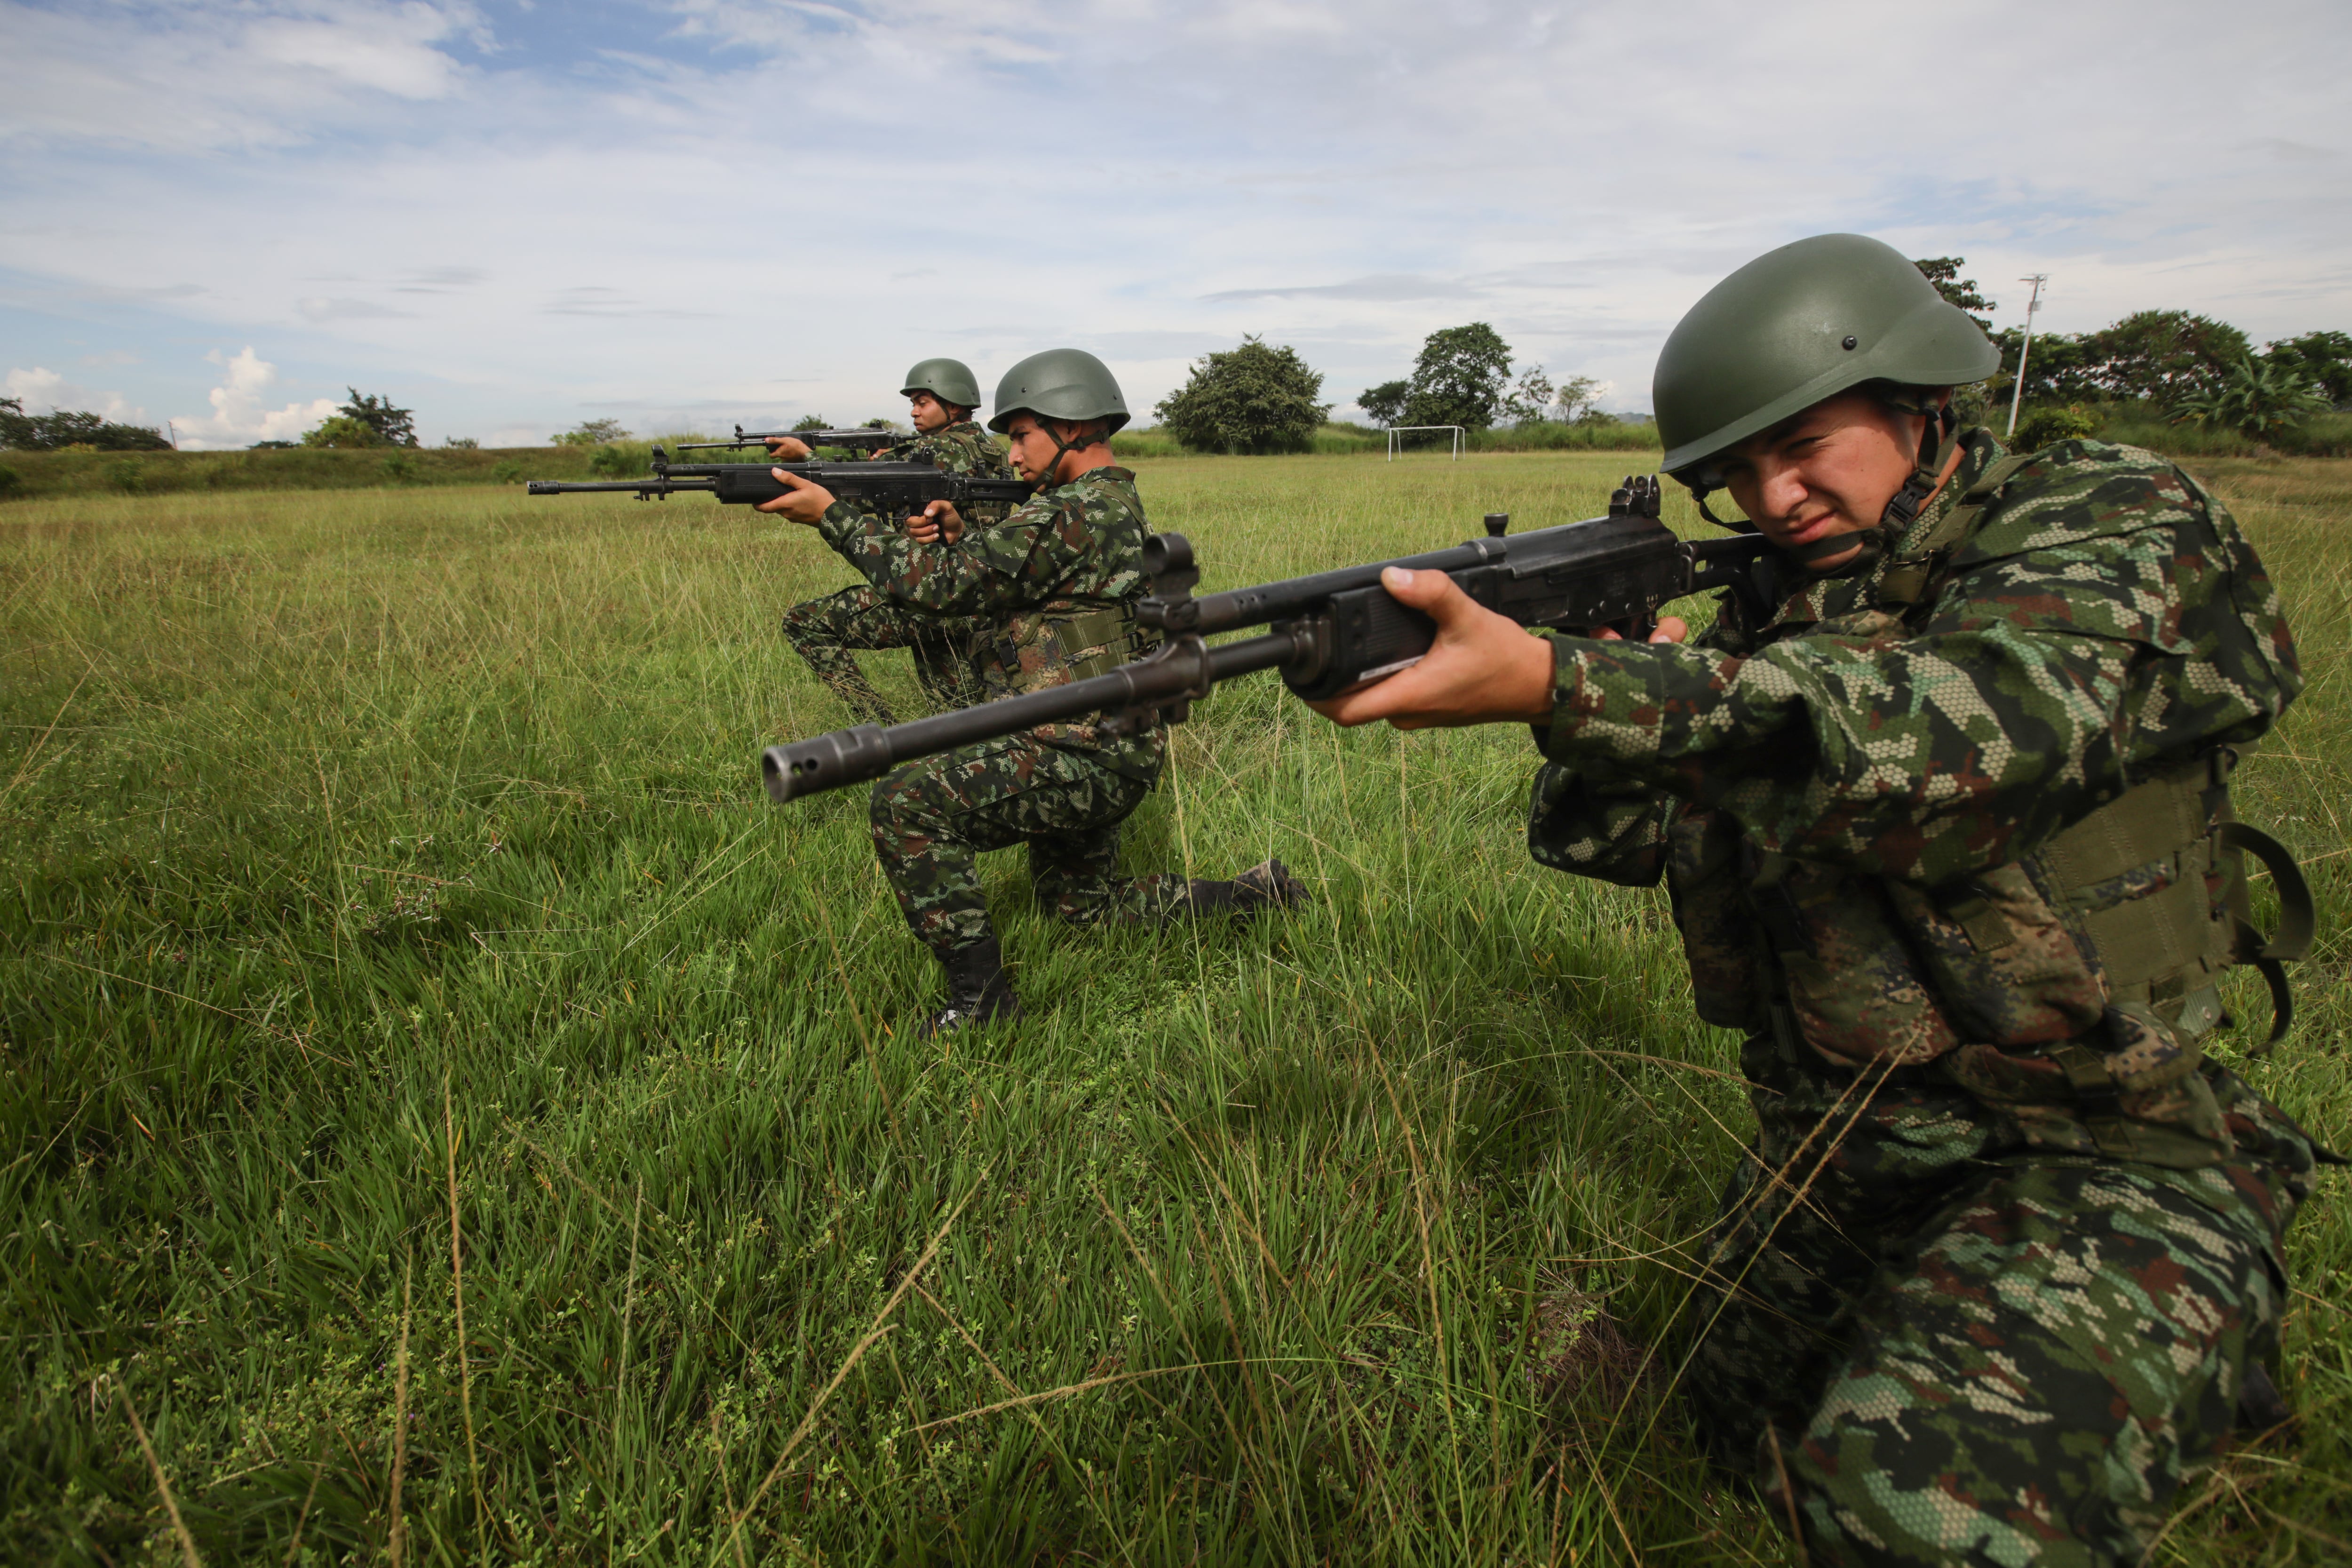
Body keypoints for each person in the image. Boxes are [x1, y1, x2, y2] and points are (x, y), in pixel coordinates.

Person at [1311, 233, 2325, 1564]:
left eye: (1803, 449)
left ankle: (2195, 1310)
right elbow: (1615, 838)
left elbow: (1979, 738)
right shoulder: (1782, 612)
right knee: (1719, 1439)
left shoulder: (2109, 514)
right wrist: (1617, 694)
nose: (1775, 497)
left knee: (1911, 1516)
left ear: (1922, 400)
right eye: (1736, 476)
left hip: (2103, 1134)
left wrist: (1575, 685)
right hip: (1853, 1126)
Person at [758, 348, 1305, 1033]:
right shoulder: (1102, 504)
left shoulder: (1074, 513)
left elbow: (935, 588)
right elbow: (995, 582)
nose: (1010, 455)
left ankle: (981, 1004)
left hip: (1083, 748)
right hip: (1105, 737)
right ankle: (1256, 897)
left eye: (1021, 435)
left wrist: (834, 515)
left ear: (1070, 425)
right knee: (1084, 905)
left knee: (905, 805)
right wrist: (957, 536)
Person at [773, 358, 1013, 726]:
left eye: (923, 402)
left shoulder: (935, 451)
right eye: (913, 403)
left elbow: (854, 489)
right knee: (956, 713)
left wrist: (805, 456)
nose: (914, 412)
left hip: (935, 594)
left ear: (953, 402)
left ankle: (880, 726)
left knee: (804, 623)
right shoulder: (995, 451)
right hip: (977, 594)